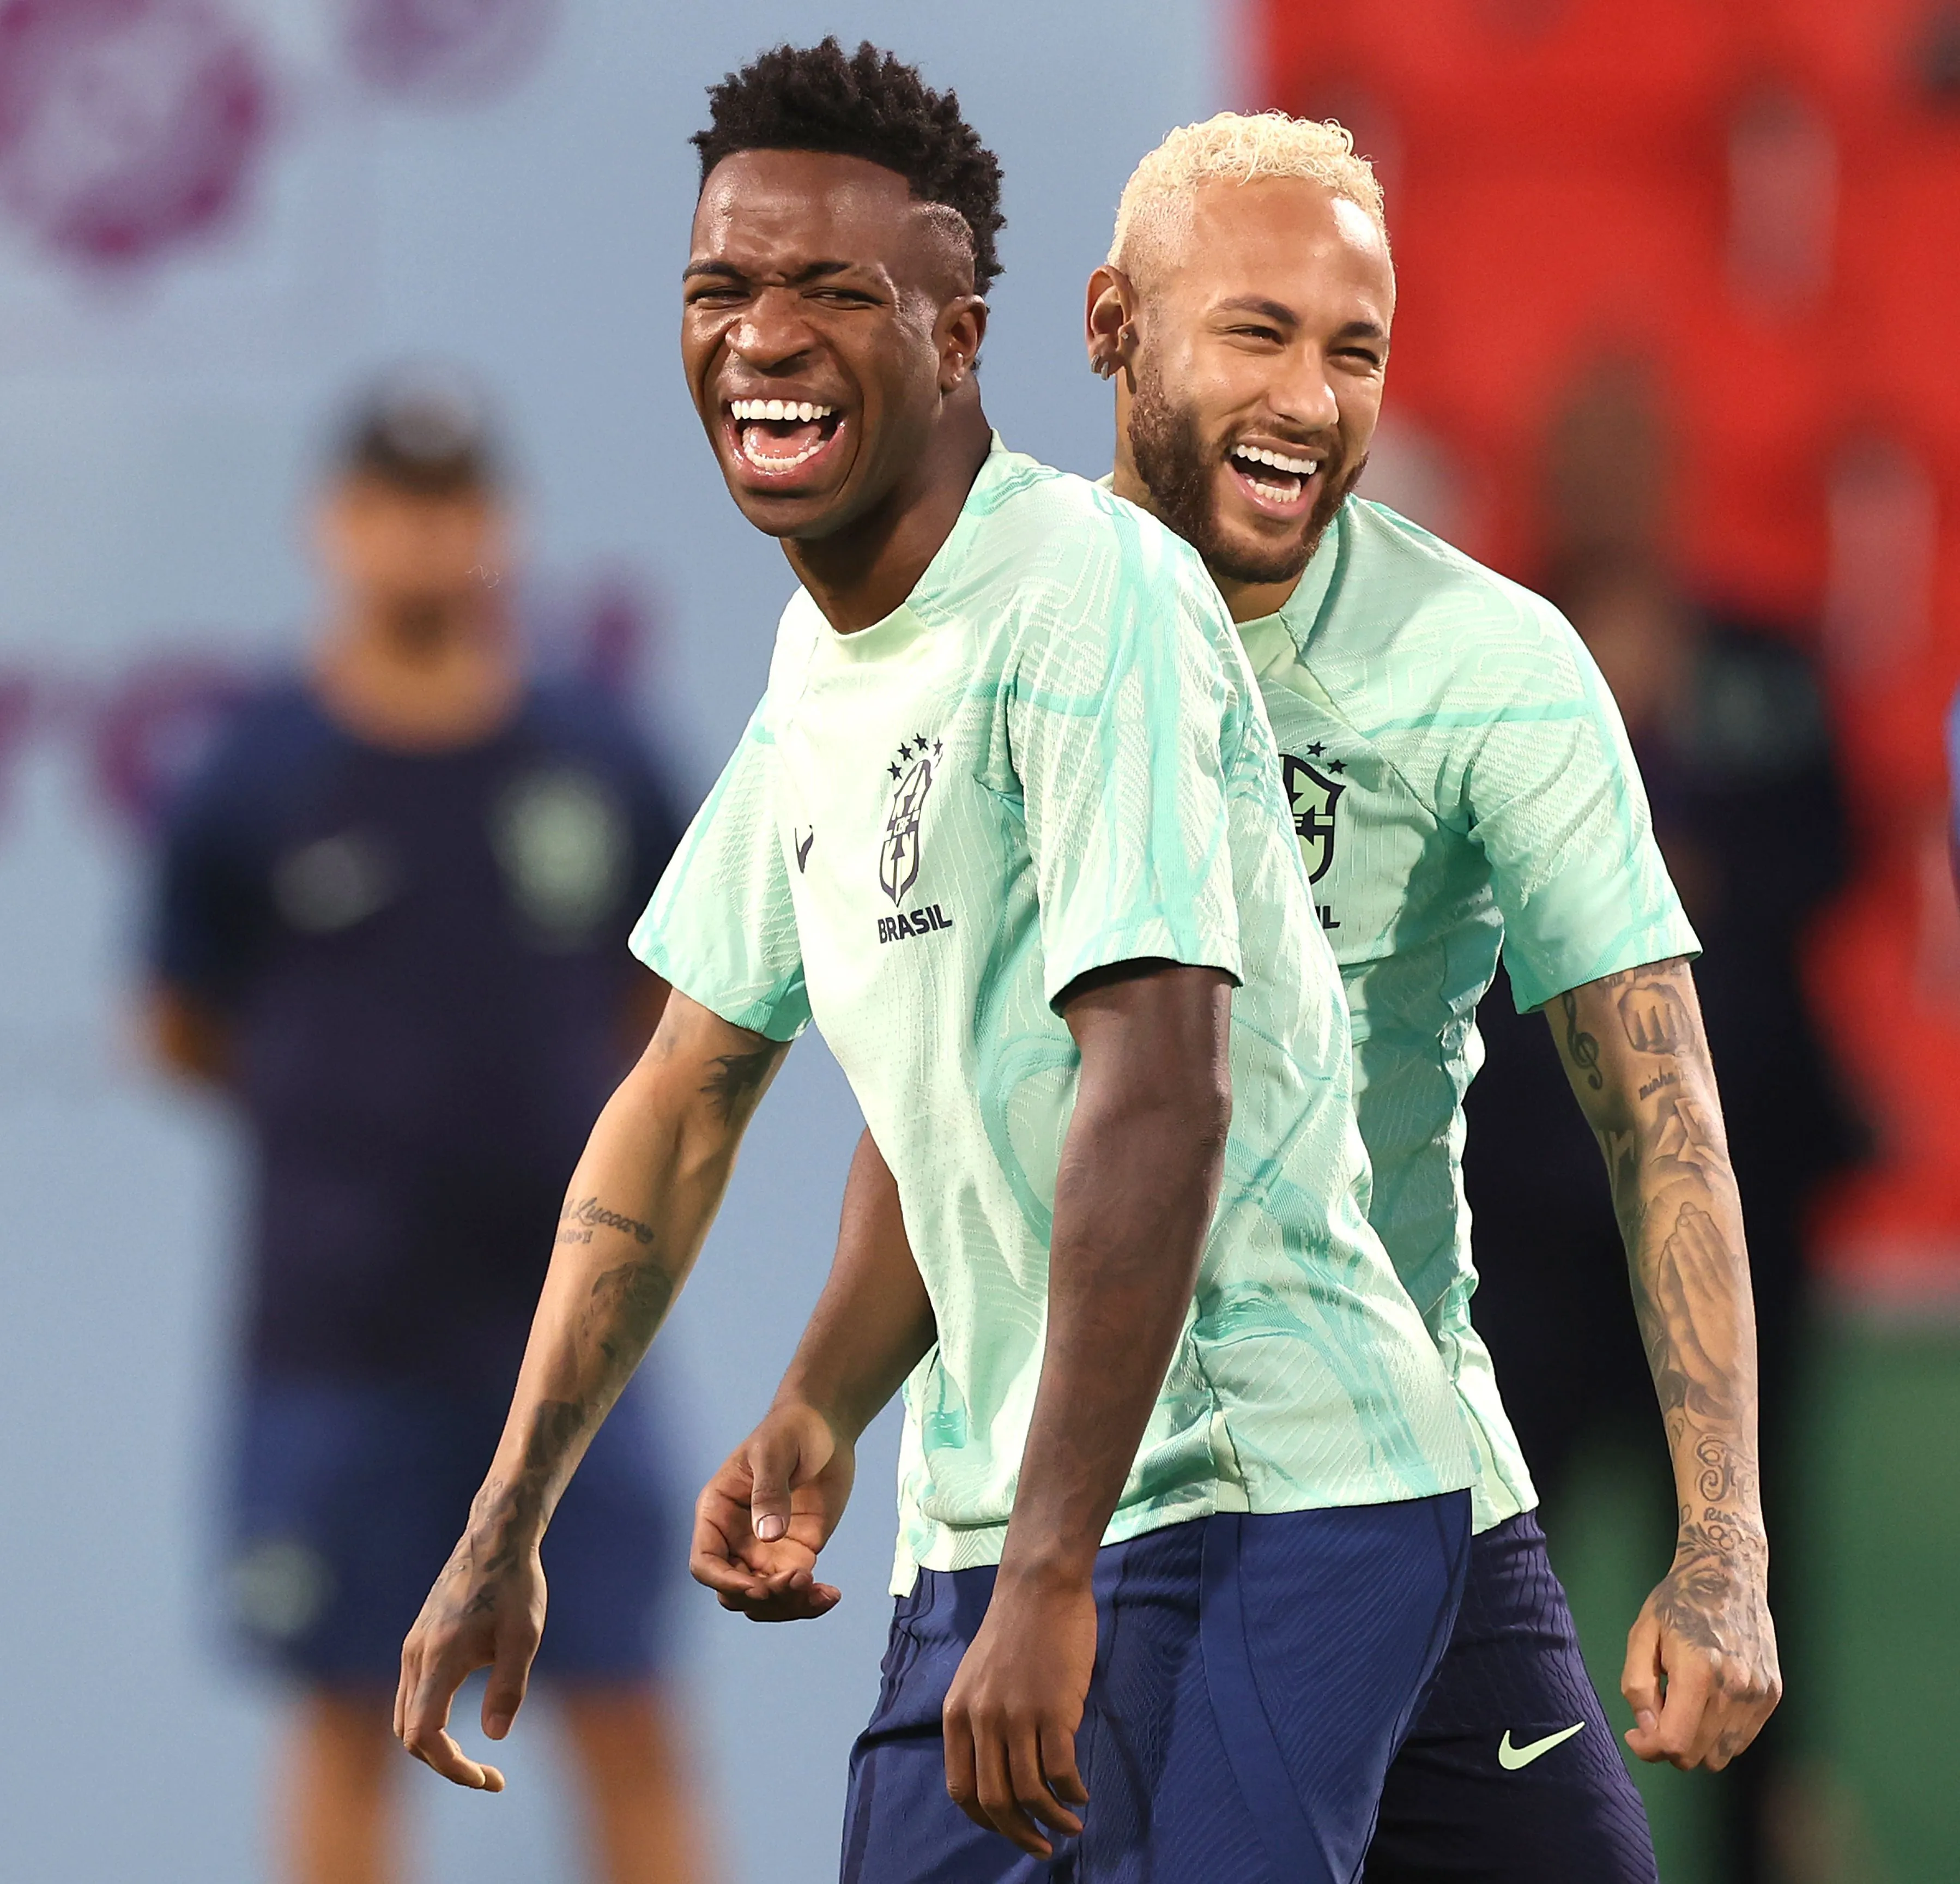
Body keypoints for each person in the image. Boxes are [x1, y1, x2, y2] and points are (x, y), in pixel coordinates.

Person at [395, 40, 1478, 1884]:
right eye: (720, 289)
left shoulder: (1089, 601)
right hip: (994, 1520)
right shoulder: (817, 676)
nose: (762, 334)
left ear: (961, 337)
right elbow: (684, 1099)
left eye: (835, 290)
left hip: (1259, 1488)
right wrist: (529, 1507)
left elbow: (1155, 1089)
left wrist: (1056, 1573)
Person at [699, 111, 1784, 1883]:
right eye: (1254, 334)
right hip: (1071, 1512)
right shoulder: (976, 632)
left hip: (1386, 1488)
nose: (1307, 398)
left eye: (1352, 347)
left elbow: (1660, 1111)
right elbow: (964, 1088)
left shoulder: (1487, 665)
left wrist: (1719, 1538)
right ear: (1110, 324)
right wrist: (826, 1394)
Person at [148, 381, 704, 1884]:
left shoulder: (592, 753)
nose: (425, 540)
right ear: (333, 527)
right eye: (393, 504)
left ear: (500, 527)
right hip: (339, 1343)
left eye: (455, 503)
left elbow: (675, 987)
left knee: (627, 1720)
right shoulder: (256, 771)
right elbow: (182, 1017)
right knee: (346, 1722)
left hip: (564, 1340)